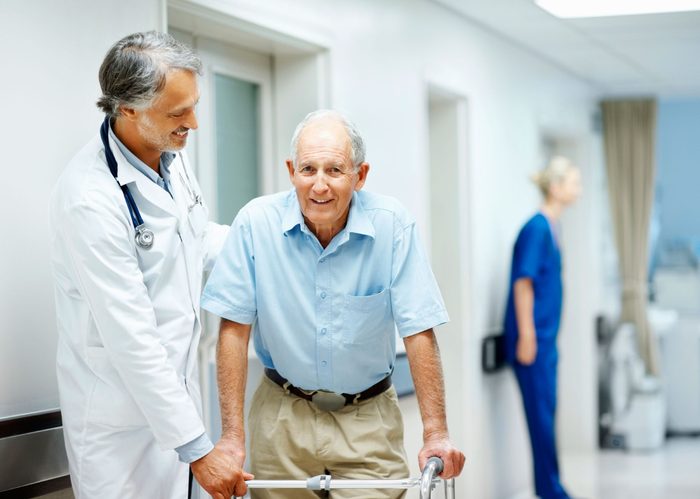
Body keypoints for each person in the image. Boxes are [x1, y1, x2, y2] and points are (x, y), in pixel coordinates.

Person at [200, 109, 465, 499]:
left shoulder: (391, 225)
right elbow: (233, 333)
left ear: (360, 175)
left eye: (334, 170)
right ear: (291, 171)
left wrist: (436, 432)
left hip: (368, 420)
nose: (319, 186)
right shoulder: (255, 223)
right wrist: (231, 437)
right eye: (308, 169)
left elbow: (418, 330)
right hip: (281, 417)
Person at [49, 31, 251, 499]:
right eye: (179, 113)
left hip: (177, 405)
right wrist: (199, 450)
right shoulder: (89, 199)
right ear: (128, 108)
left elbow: (194, 241)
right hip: (118, 432)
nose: (194, 123)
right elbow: (132, 339)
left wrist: (262, 242)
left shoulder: (170, 158)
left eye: (194, 106)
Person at [503, 157, 581, 499]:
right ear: (556, 187)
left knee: (547, 414)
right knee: (541, 419)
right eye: (574, 182)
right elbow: (523, 283)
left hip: (546, 340)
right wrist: (528, 335)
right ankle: (551, 492)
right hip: (533, 342)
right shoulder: (536, 228)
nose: (578, 189)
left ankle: (552, 487)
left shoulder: (553, 226)